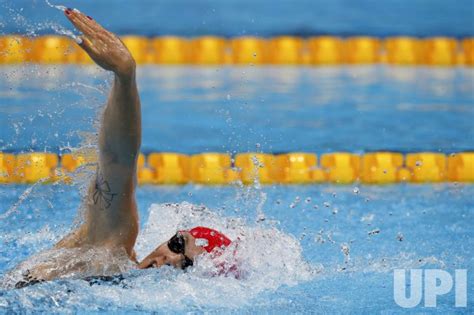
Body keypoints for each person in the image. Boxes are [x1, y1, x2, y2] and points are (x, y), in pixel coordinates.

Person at [6, 8, 232, 288]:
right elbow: (116, 159)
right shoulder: (112, 249)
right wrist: (125, 76)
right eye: (176, 244)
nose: (170, 260)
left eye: (187, 265)